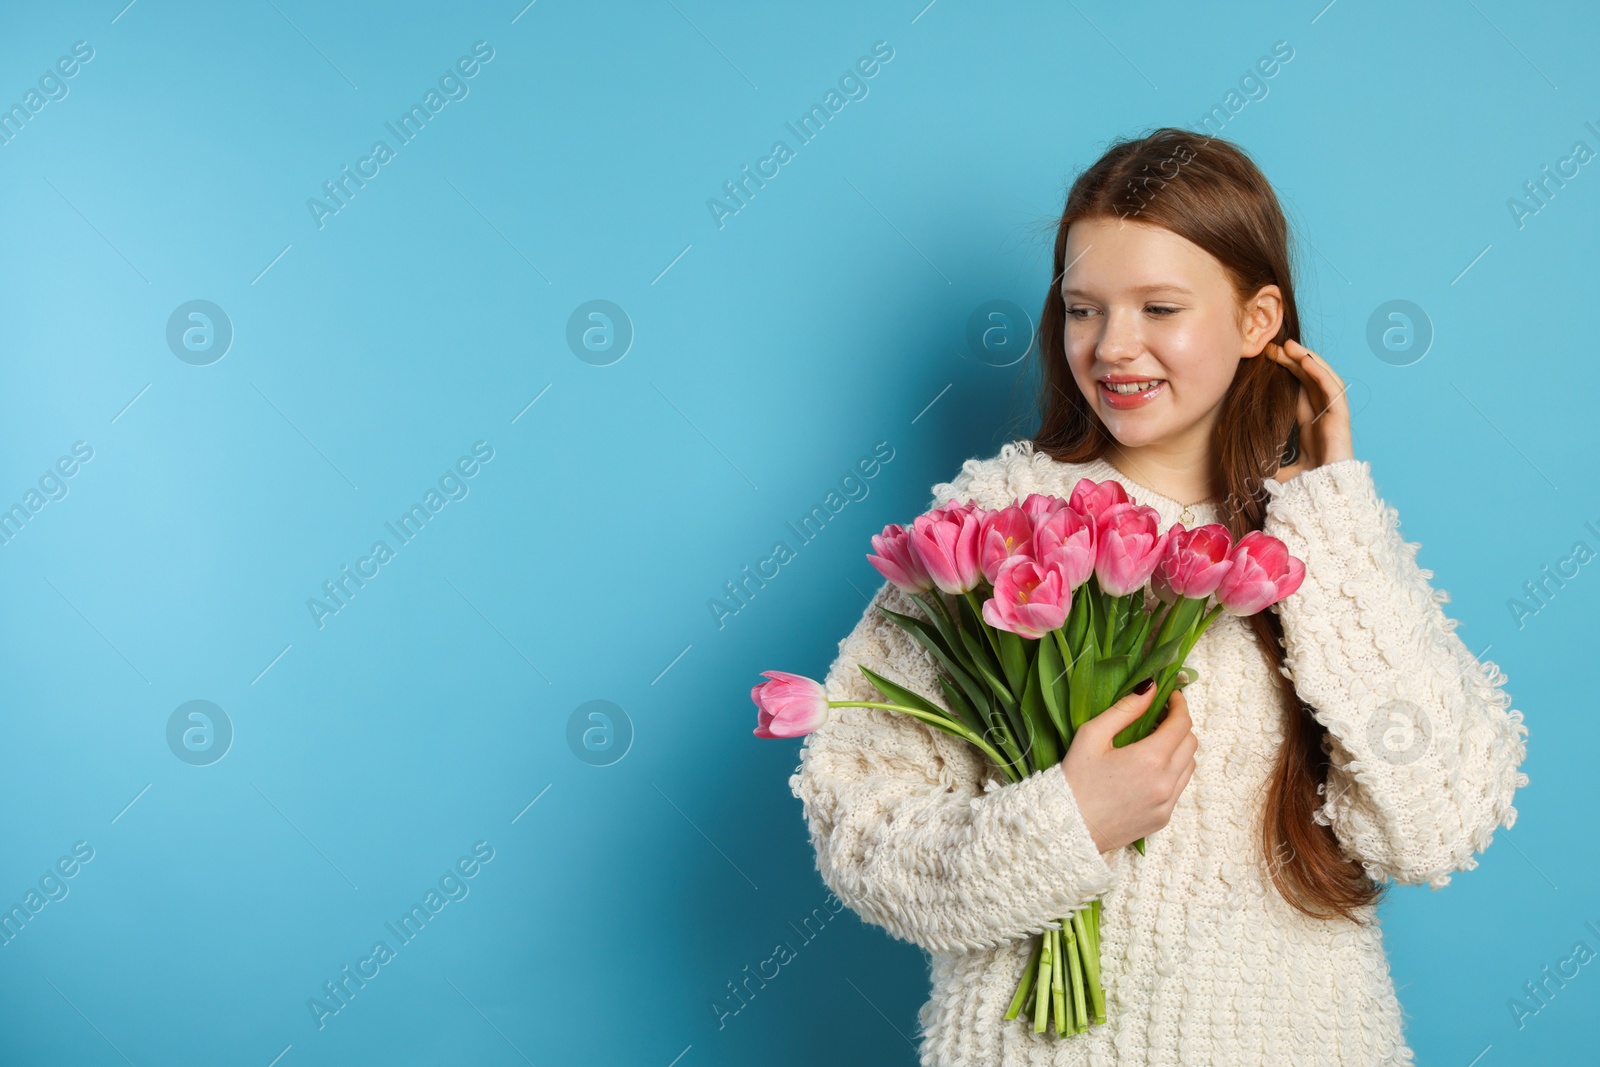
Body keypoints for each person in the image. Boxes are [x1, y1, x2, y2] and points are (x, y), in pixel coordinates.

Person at [786, 127, 1529, 1066]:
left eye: (1160, 307)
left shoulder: (1321, 542)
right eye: (1084, 309)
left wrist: (1330, 508)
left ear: (1258, 320)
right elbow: (860, 825)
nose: (1113, 347)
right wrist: (1068, 821)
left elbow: (1438, 822)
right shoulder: (994, 528)